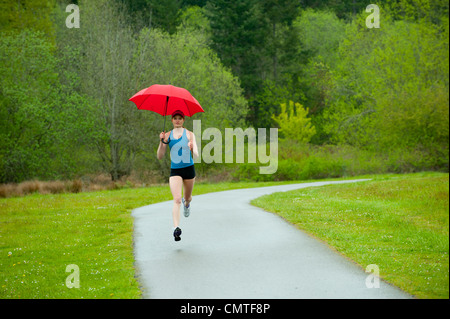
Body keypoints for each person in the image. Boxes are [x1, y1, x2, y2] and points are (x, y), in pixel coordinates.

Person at [157, 110, 199, 242]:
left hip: (189, 169)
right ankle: (176, 228)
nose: (177, 120)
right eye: (175, 118)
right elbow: (160, 156)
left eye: (180, 118)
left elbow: (197, 156)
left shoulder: (190, 135)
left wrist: (192, 148)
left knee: (187, 198)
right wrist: (161, 142)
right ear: (171, 120)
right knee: (177, 199)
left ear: (183, 120)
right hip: (175, 171)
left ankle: (187, 204)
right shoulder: (167, 136)